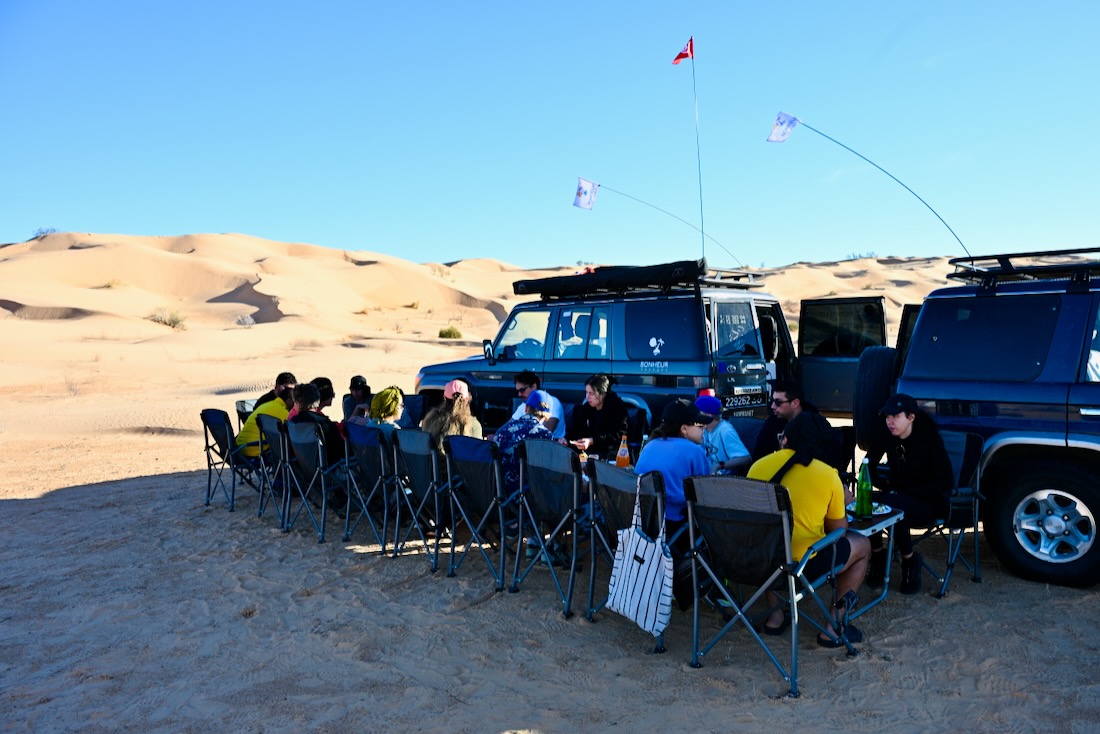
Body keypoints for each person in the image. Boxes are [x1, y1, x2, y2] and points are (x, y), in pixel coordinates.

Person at [747, 411, 871, 646]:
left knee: (770, 538)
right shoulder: (827, 476)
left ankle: (774, 616)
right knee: (862, 545)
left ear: (786, 439)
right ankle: (833, 627)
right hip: (803, 565)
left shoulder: (758, 467)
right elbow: (839, 530)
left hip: (759, 561)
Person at [864, 393, 954, 595]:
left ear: (911, 417)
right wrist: (882, 485)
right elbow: (868, 464)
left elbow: (945, 481)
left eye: (895, 416)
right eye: (887, 417)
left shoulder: (929, 438)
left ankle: (909, 560)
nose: (890, 421)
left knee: (896, 508)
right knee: (866, 503)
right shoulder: (887, 435)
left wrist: (903, 493)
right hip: (897, 496)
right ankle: (877, 555)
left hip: (928, 502)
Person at [634, 398, 712, 553]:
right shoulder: (694, 451)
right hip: (675, 526)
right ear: (684, 428)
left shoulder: (650, 445)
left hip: (643, 523)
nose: (705, 429)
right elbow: (705, 496)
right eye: (700, 425)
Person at [493, 389, 555, 495]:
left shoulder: (503, 430)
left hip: (498, 492)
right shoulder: (545, 435)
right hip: (527, 494)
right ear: (548, 416)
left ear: (526, 408)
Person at [565, 374, 629, 458]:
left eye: (591, 393)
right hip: (588, 453)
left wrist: (592, 441)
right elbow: (576, 429)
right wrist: (566, 439)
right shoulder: (586, 408)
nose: (587, 397)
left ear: (603, 394)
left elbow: (618, 435)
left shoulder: (617, 409)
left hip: (609, 454)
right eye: (586, 392)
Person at [289, 383, 345, 468]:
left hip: (303, 472)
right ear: (317, 400)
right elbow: (341, 451)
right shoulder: (324, 424)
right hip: (329, 473)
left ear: (297, 403)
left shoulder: (292, 423)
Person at [235, 379, 296, 458]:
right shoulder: (282, 412)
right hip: (254, 450)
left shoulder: (266, 405)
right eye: (295, 401)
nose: (295, 404)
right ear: (289, 399)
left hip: (239, 449)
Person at [421, 379, 483, 453]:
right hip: (460, 464)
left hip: (432, 464)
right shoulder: (474, 425)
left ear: (444, 397)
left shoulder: (430, 420)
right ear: (467, 399)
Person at [695, 395, 751, 475]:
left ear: (708, 415)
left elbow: (746, 458)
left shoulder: (725, 430)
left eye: (698, 414)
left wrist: (718, 466)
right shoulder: (705, 429)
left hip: (723, 479)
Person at [511, 370, 565, 440]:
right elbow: (508, 426)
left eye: (522, 390)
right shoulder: (523, 405)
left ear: (534, 386)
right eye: (518, 391)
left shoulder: (552, 402)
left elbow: (545, 434)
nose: (519, 394)